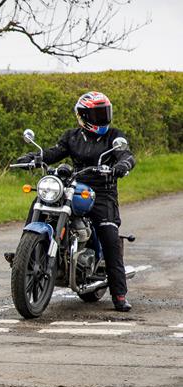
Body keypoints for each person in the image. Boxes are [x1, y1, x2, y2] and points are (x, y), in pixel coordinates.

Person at [8, 91, 137, 312]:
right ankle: (25, 253)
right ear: (83, 116)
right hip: (74, 186)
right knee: (39, 201)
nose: (101, 118)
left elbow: (127, 156)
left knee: (108, 235)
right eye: (96, 114)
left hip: (102, 192)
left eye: (104, 113)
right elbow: (53, 153)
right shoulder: (72, 137)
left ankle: (119, 294)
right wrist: (34, 158)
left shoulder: (113, 138)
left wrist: (121, 166)